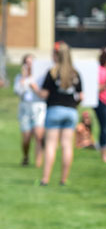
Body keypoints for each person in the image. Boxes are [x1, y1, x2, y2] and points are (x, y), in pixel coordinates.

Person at [39, 41, 83, 186]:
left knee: (51, 145)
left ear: (56, 55)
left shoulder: (52, 73)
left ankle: (45, 179)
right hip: (71, 111)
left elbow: (44, 94)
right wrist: (74, 106)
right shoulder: (75, 73)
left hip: (54, 110)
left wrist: (34, 88)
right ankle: (63, 179)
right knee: (67, 145)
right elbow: (81, 96)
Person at [14, 53, 46, 167]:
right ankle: (26, 156)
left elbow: (44, 93)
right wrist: (23, 79)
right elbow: (17, 91)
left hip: (38, 107)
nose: (28, 65)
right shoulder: (19, 77)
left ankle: (38, 162)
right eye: (26, 63)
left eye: (30, 63)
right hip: (25, 108)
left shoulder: (40, 77)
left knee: (38, 135)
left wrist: (35, 87)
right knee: (26, 137)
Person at [94, 47, 106, 163]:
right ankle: (104, 153)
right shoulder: (100, 70)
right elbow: (96, 88)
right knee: (105, 128)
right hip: (102, 102)